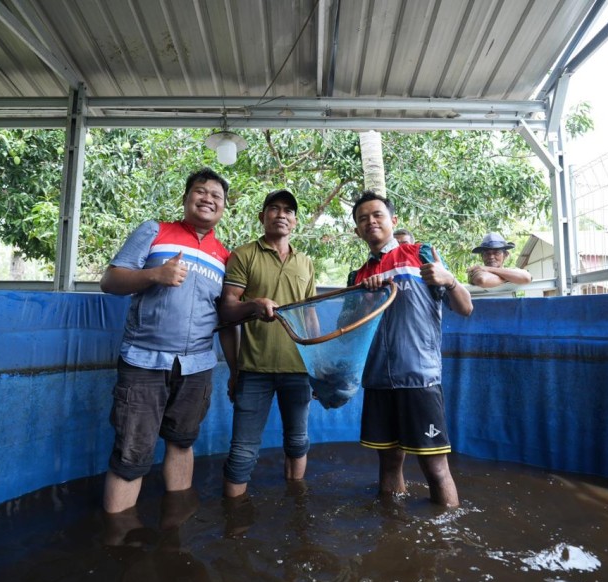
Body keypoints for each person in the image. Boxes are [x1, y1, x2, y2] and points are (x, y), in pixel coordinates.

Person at [100, 167, 237, 514]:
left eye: (216, 196)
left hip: (197, 367)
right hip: (144, 362)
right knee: (131, 454)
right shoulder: (155, 231)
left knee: (182, 442)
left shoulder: (225, 256)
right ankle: (117, 546)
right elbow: (110, 281)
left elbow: (225, 316)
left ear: (224, 208)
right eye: (200, 191)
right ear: (186, 197)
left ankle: (176, 529)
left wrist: (236, 369)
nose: (207, 199)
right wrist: (154, 275)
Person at [348, 190, 473, 507]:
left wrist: (449, 279)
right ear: (357, 230)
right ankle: (392, 531)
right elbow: (349, 329)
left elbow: (466, 308)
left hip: (418, 378)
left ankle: (447, 539)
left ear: (393, 220)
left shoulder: (421, 254)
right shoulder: (359, 275)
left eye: (377, 215)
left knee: (435, 468)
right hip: (377, 381)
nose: (370, 221)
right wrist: (362, 300)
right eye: (363, 218)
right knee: (388, 464)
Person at [219, 189, 317, 499]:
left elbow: (310, 314)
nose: (281, 214)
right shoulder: (244, 254)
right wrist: (254, 305)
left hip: (299, 369)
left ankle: (296, 504)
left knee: (298, 441)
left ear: (295, 221)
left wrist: (316, 365)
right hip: (253, 370)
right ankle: (233, 526)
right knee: (242, 452)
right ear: (262, 217)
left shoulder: (306, 262)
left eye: (288, 210)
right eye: (273, 208)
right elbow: (226, 310)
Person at [466, 232, 532, 288]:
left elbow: (526, 278)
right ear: (482, 256)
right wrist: (513, 278)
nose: (491, 257)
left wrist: (488, 269)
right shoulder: (477, 271)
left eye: (496, 253)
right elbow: (483, 280)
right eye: (487, 253)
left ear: (505, 255)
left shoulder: (482, 268)